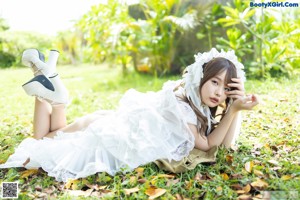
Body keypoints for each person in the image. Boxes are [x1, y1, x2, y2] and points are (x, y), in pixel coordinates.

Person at [0, 48, 259, 182]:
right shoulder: (183, 105)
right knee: (41, 140)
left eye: (226, 88)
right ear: (201, 77)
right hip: (104, 132)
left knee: (48, 134)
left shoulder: (196, 105)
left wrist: (235, 104)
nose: (218, 92)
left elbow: (226, 144)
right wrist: (234, 108)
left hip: (105, 124)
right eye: (214, 82)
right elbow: (209, 145)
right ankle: (47, 85)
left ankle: (48, 82)